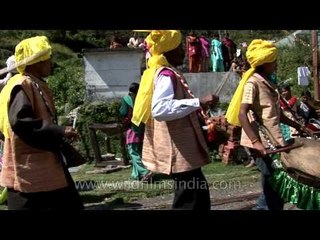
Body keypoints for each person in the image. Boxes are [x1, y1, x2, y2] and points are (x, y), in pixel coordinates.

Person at [132, 30, 219, 210]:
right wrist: (198, 101)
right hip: (179, 151)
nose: (184, 52)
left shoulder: (165, 72)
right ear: (168, 51)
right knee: (190, 200)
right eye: (179, 48)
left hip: (183, 150)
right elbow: (160, 109)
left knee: (196, 196)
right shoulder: (165, 75)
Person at [0, 36, 84, 210]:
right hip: (29, 165)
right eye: (47, 59)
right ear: (36, 63)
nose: (51, 63)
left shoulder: (33, 83)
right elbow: (21, 122)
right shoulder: (22, 85)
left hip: (42, 162)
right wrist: (60, 131)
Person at [225, 39, 304, 210]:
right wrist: (256, 143)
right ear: (265, 62)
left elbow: (276, 113)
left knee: (274, 188)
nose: (276, 63)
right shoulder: (252, 83)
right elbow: (242, 113)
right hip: (262, 144)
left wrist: (297, 126)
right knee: (273, 188)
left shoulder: (267, 81)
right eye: (274, 60)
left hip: (272, 142)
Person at [119, 82, 152, 182]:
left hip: (132, 129)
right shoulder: (141, 99)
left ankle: (145, 172)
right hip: (142, 129)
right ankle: (136, 175)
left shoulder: (126, 99)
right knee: (139, 152)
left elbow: (123, 112)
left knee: (133, 152)